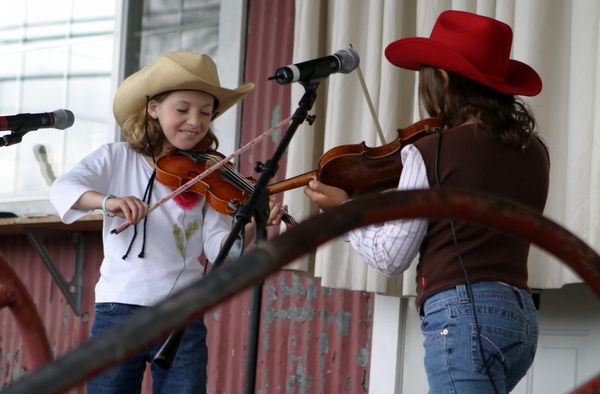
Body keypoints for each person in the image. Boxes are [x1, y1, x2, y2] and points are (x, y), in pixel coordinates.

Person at [304, 10, 549, 394]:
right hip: (518, 318)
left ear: (445, 80)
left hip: (464, 316)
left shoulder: (431, 152)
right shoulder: (534, 150)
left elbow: (390, 256)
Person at [49, 51, 283, 393]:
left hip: (182, 315)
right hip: (119, 311)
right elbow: (63, 188)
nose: (195, 121)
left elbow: (218, 249)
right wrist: (109, 201)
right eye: (183, 108)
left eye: (206, 113)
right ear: (153, 108)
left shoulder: (211, 173)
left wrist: (249, 228)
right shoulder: (116, 158)